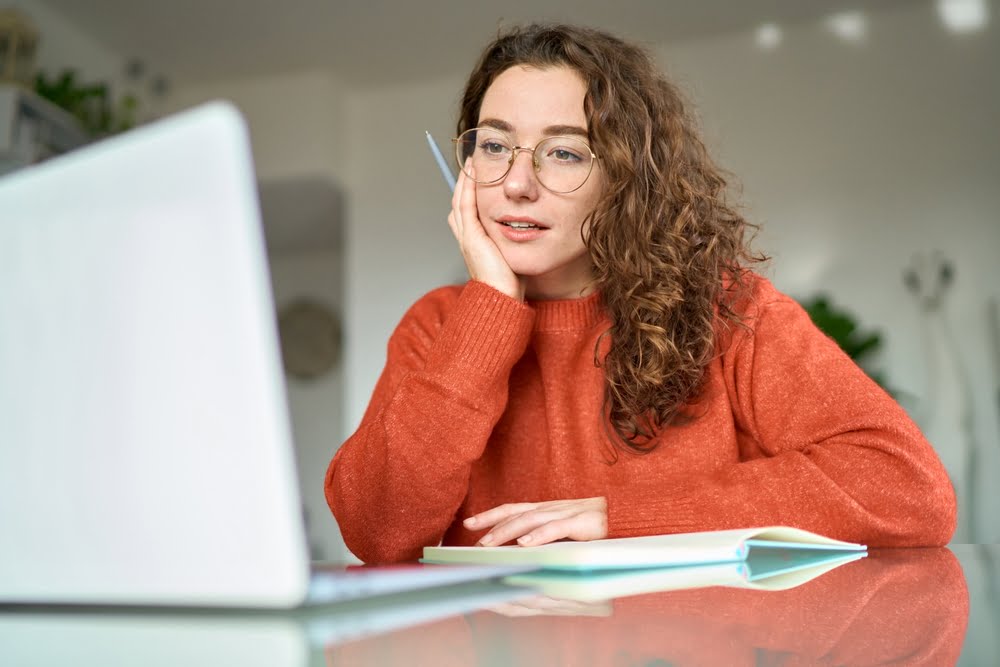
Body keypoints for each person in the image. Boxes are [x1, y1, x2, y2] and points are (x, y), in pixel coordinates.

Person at [325, 24, 956, 564]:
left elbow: (906, 487)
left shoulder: (729, 310)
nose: (517, 182)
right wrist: (491, 304)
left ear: (626, 178)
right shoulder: (439, 326)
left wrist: (622, 519)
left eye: (564, 153)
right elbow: (377, 531)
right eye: (493, 146)